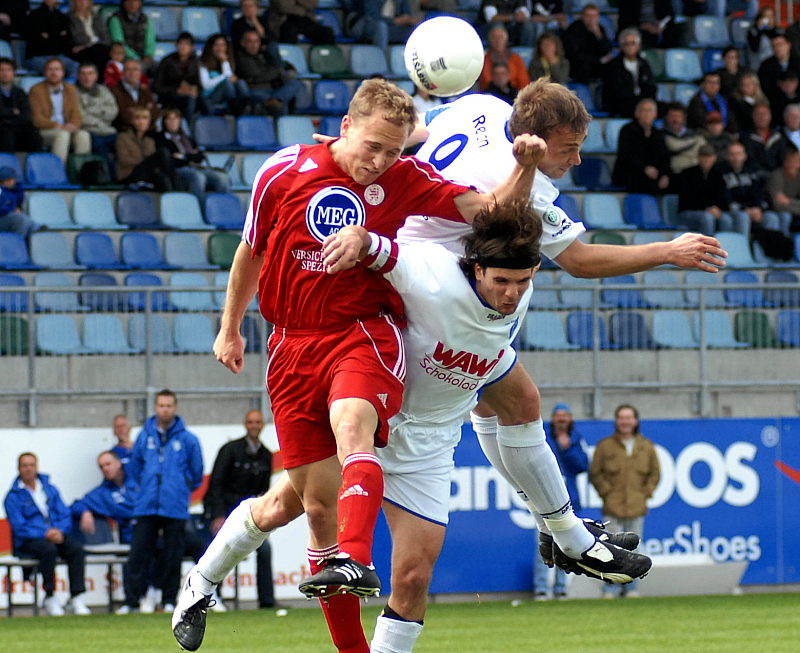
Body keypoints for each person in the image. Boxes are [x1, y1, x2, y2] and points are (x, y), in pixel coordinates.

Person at [172, 79, 725, 653]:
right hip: (348, 350)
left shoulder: (472, 152)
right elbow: (554, 250)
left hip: (417, 414)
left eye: (523, 283)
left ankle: (564, 536)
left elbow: (452, 158)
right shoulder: (433, 273)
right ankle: (204, 579)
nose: (514, 294)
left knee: (414, 570)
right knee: (301, 505)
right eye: (569, 148)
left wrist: (394, 147)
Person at [172, 77, 545, 652]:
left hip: (364, 331)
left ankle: (354, 558)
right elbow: (251, 249)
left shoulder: (404, 177)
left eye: (394, 150)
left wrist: (523, 167)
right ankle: (201, 581)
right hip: (291, 345)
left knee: (355, 429)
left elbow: (492, 213)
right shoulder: (283, 171)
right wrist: (228, 328)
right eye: (372, 146)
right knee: (311, 506)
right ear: (344, 127)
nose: (380, 162)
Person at [123, 389, 203, 613]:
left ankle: (169, 600)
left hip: (174, 506)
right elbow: (135, 467)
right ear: (155, 407)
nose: (165, 409)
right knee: (138, 553)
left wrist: (179, 487)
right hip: (146, 505)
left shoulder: (188, 439)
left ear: (175, 408)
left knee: (172, 555)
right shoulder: (144, 436)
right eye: (161, 405)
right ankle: (132, 601)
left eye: (169, 405)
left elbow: (196, 473)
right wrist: (145, 488)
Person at [204, 410, 276, 609]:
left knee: (265, 550)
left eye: (258, 422)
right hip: (226, 514)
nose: (254, 425)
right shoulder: (229, 450)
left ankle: (267, 602)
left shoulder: (266, 455)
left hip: (251, 518)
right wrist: (218, 516)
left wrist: (266, 522)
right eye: (251, 422)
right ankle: (214, 597)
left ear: (262, 425)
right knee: (219, 553)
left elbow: (264, 492)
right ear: (245, 424)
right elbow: (215, 484)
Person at [4, 452, 90, 616]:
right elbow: (19, 526)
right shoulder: (12, 497)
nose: (29, 469)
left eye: (32, 465)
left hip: (55, 534)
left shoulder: (50, 490)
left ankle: (77, 596)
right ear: (18, 469)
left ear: (37, 467)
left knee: (76, 549)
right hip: (29, 541)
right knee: (48, 550)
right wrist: (45, 533)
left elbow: (64, 513)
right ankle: (50, 595)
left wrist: (59, 531)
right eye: (24, 465)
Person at [590, 405, 660, 599]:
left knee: (635, 549)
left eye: (629, 418)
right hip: (613, 506)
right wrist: (607, 493)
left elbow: (655, 473)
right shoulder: (605, 446)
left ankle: (631, 588)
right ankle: (610, 588)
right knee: (610, 549)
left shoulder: (646, 446)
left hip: (637, 506)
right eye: (621, 418)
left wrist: (645, 493)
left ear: (635, 421)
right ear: (616, 421)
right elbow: (596, 473)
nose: (625, 422)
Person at [533, 403, 588, 601]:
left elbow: (582, 465)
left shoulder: (575, 438)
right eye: (558, 415)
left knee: (568, 546)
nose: (562, 419)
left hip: (569, 501)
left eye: (566, 415)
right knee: (545, 544)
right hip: (544, 500)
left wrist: (568, 448)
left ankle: (561, 587)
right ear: (553, 418)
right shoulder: (542, 436)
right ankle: (541, 587)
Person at [156, 107, 229, 199]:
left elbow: (200, 156)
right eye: (169, 118)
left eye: (175, 118)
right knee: (198, 177)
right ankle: (198, 209)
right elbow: (171, 160)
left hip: (196, 167)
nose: (172, 121)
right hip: (178, 170)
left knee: (222, 178)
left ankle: (219, 208)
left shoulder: (187, 138)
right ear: (164, 121)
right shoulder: (160, 138)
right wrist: (190, 156)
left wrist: (184, 156)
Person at [29, 58, 91, 163]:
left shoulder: (70, 89)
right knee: (62, 135)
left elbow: (76, 113)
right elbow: (37, 118)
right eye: (50, 69)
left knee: (83, 135)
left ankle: (79, 171)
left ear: (63, 72)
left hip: (66, 128)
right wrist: (58, 126)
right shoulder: (36, 90)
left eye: (57, 69)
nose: (54, 73)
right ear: (45, 73)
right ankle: (59, 170)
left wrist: (74, 125)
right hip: (46, 130)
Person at [676, 143, 747, 236]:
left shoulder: (718, 175)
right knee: (707, 218)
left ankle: (727, 247)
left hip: (711, 211)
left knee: (726, 219)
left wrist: (717, 209)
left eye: (709, 156)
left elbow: (723, 197)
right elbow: (686, 200)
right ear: (698, 157)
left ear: (714, 158)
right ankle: (707, 248)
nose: (706, 159)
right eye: (703, 156)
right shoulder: (687, 174)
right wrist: (706, 209)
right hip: (688, 212)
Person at [71, 450, 138, 545]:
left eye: (108, 464)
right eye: (101, 467)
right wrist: (85, 512)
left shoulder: (139, 479)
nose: (105, 469)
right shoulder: (102, 493)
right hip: (131, 538)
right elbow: (76, 505)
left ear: (118, 463)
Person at [234, 29, 303, 116]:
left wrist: (284, 69)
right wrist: (278, 70)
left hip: (274, 89)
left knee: (295, 83)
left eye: (256, 41)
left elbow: (284, 65)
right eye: (250, 42)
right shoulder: (240, 57)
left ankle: (276, 99)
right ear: (243, 43)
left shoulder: (264, 54)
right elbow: (256, 73)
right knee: (281, 106)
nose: (254, 45)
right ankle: (276, 102)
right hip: (256, 90)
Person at [612, 98, 671, 194]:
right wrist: (644, 168)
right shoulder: (627, 130)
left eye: (650, 110)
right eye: (644, 110)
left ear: (655, 115)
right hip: (631, 173)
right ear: (637, 113)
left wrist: (665, 175)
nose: (647, 113)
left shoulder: (658, 133)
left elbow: (664, 156)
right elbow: (625, 155)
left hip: (652, 175)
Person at [601, 27, 657, 119]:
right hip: (621, 104)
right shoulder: (613, 66)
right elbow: (615, 91)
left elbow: (651, 85)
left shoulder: (644, 64)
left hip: (641, 101)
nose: (630, 47)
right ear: (621, 46)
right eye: (626, 44)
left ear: (638, 46)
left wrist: (646, 100)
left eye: (633, 43)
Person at [116, 107, 174, 190]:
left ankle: (174, 198)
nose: (141, 122)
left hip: (147, 172)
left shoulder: (149, 140)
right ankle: (179, 189)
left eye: (145, 118)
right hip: (129, 174)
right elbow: (124, 159)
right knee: (163, 153)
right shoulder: (123, 137)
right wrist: (146, 162)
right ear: (132, 121)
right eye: (138, 118)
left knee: (163, 178)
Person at [75, 62, 118, 167]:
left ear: (96, 76)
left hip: (109, 130)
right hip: (89, 131)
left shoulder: (103, 90)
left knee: (125, 145)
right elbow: (79, 116)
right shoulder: (72, 92)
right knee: (101, 150)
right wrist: (100, 117)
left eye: (90, 73)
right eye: (83, 74)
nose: (87, 77)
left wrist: (91, 110)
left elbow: (113, 111)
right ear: (78, 76)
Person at [152, 33, 202, 123]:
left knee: (202, 99)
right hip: (169, 96)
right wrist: (176, 90)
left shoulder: (196, 62)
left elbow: (199, 83)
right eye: (180, 43)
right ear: (176, 45)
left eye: (186, 44)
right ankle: (186, 126)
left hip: (188, 95)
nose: (183, 46)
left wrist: (195, 89)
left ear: (192, 47)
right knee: (190, 100)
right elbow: (157, 87)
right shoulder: (166, 61)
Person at [25, 0, 79, 78]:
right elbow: (35, 40)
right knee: (52, 69)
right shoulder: (34, 15)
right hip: (37, 57)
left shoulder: (62, 17)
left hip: (58, 55)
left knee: (76, 67)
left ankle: (68, 89)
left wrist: (49, 36)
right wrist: (57, 36)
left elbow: (67, 41)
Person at [198, 34, 249, 116]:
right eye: (216, 45)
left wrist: (224, 62)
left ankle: (245, 107)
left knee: (241, 83)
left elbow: (228, 76)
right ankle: (235, 109)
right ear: (211, 47)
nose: (220, 48)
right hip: (210, 97)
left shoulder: (228, 61)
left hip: (227, 96)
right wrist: (224, 76)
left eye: (222, 45)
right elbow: (206, 85)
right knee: (227, 84)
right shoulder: (203, 63)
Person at [562, 3, 612, 85]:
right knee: (583, 65)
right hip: (578, 66)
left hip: (596, 64)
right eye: (588, 15)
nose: (591, 19)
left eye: (594, 16)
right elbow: (575, 54)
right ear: (583, 16)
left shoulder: (599, 29)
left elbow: (607, 50)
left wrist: (598, 34)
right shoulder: (574, 29)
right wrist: (599, 61)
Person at [0, 57, 42, 153]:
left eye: (8, 70)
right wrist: (13, 111)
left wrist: (6, 113)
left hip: (17, 126)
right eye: (1, 70)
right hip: (2, 128)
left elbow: (26, 115)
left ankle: (36, 165)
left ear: (14, 73)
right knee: (7, 134)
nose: (5, 73)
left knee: (34, 134)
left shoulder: (20, 92)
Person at [347, 0, 422, 52]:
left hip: (391, 28)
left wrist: (410, 20)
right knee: (381, 27)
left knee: (414, 30)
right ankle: (381, 62)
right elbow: (372, 17)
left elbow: (407, 14)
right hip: (365, 26)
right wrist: (395, 21)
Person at [479, 25, 530, 94]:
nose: (498, 40)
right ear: (490, 41)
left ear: (506, 40)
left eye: (501, 37)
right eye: (494, 37)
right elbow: (486, 81)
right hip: (492, 94)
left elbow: (524, 82)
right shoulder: (484, 60)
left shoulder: (516, 58)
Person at [110, 57, 159, 130]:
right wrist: (145, 110)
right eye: (128, 69)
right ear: (123, 72)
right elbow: (122, 116)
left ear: (140, 72)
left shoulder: (145, 90)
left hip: (147, 131)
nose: (132, 73)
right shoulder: (115, 91)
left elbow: (155, 112)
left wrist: (134, 111)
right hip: (125, 131)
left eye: (135, 69)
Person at [107, 0, 156, 72]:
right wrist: (136, 58)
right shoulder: (115, 19)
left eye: (136, 1)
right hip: (125, 58)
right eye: (129, 1)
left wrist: (148, 55)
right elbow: (119, 43)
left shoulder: (145, 19)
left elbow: (150, 41)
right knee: (137, 68)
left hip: (144, 58)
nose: (132, 4)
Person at [758, 32, 800, 114]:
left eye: (780, 44)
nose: (777, 48)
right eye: (774, 46)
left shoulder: (798, 62)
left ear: (789, 45)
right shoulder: (765, 66)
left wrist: (793, 91)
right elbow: (765, 89)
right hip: (776, 106)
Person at [663, 102, 706, 177]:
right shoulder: (660, 136)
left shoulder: (696, 135)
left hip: (695, 176)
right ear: (666, 117)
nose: (675, 120)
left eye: (678, 116)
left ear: (684, 118)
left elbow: (705, 153)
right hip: (672, 176)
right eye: (672, 116)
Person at [67, 0, 110, 75]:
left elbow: (106, 37)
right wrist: (94, 41)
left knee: (101, 50)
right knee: (98, 52)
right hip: (80, 52)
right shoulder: (69, 18)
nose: (82, 2)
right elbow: (78, 38)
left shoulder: (96, 17)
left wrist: (89, 43)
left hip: (96, 47)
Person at [267, 0, 335, 46]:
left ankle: (325, 63)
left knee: (326, 32)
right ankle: (289, 62)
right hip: (283, 21)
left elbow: (313, 4)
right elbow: (284, 6)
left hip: (305, 19)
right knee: (290, 32)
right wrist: (302, 8)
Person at [742, 103, 783, 175]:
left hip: (776, 177)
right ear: (753, 116)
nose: (762, 117)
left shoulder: (779, 136)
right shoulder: (745, 137)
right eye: (758, 114)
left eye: (765, 114)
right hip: (753, 177)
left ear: (770, 116)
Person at [0, 166, 39, 238]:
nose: (12, 182)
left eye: (13, 179)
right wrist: (11, 210)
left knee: (30, 223)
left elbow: (17, 204)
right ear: (2, 181)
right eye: (9, 180)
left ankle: (33, 239)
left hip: (8, 216)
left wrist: (17, 209)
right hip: (2, 217)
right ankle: (16, 243)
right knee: (21, 220)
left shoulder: (16, 190)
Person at [767, 149, 800, 233]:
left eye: (796, 162)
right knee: (785, 216)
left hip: (792, 209)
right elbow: (777, 203)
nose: (792, 165)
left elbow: (785, 201)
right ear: (784, 162)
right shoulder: (776, 176)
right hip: (772, 209)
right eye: (790, 162)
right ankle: (784, 243)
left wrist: (789, 201)